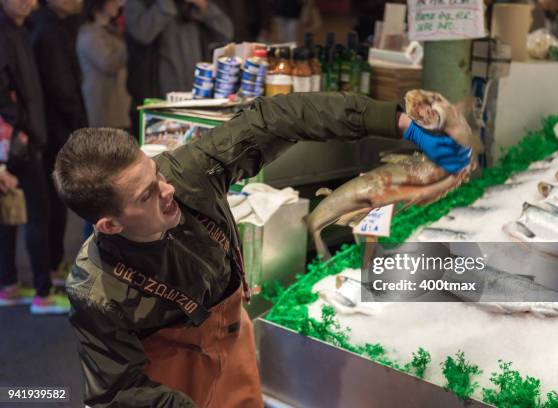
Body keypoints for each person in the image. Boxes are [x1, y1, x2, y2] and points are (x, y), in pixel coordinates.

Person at [54, 92, 471, 407]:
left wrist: (397, 121)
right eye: (146, 196)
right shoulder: (96, 292)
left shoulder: (189, 173)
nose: (168, 191)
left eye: (155, 173)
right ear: (109, 224)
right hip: (168, 391)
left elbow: (275, 120)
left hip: (234, 349)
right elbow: (122, 392)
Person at [0, 0, 69, 313]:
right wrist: (20, 127)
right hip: (18, 140)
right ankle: (42, 292)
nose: (29, 1)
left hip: (21, 137)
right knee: (37, 212)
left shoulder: (21, 29)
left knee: (10, 214)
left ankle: (9, 285)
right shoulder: (6, 33)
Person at [30, 0, 88, 286]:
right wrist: (79, 126)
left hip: (50, 126)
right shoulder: (48, 28)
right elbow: (61, 86)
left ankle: (52, 266)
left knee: (51, 201)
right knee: (51, 200)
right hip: (54, 128)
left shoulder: (48, 25)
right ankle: (51, 269)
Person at [124, 0, 233, 133]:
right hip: (157, 100)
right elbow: (143, 33)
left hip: (197, 97)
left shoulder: (191, 5)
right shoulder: (140, 4)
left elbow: (227, 33)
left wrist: (204, 7)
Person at [77, 0, 131, 129]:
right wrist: (130, 44)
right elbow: (108, 63)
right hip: (103, 106)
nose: (117, 4)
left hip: (119, 104)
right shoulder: (89, 33)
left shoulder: (112, 30)